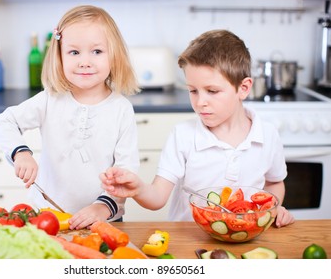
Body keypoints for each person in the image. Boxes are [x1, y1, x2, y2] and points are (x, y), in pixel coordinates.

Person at [100, 29, 295, 228]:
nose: (200, 102)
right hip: (190, 239)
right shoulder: (183, 135)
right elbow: (157, 198)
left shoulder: (268, 135)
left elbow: (274, 183)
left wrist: (274, 206)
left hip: (247, 235)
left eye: (212, 91)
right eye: (193, 91)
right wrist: (138, 189)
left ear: (243, 88)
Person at [0, 5, 140, 229]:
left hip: (103, 219)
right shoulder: (50, 99)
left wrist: (102, 207)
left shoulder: (121, 109)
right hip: (48, 216)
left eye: (97, 51)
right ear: (59, 57)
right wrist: (21, 153)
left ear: (114, 55)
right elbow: (6, 121)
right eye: (74, 52)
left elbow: (126, 170)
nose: (85, 61)